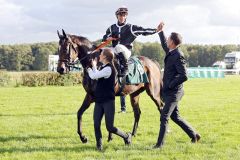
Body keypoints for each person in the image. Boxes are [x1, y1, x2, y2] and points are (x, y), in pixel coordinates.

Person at [102, 6, 158, 113]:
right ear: (117, 16)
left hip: (125, 51)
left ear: (126, 16)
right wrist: (107, 39)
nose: (122, 17)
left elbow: (143, 31)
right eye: (120, 15)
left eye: (124, 15)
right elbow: (104, 37)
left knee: (118, 47)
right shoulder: (111, 28)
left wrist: (156, 30)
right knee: (104, 51)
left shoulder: (131, 27)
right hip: (114, 52)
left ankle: (125, 67)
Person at [154, 22, 201, 149]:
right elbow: (164, 44)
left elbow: (184, 75)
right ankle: (194, 135)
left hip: (174, 92)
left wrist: (169, 84)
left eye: (169, 38)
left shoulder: (178, 55)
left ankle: (159, 145)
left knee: (164, 116)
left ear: (173, 42)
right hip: (170, 92)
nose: (167, 40)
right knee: (176, 117)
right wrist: (161, 32)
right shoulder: (171, 51)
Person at [87, 48, 132, 151]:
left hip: (108, 102)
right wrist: (94, 66)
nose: (99, 55)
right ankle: (99, 146)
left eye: (101, 54)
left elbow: (94, 76)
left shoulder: (109, 69)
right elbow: (98, 75)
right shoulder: (104, 68)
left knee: (110, 127)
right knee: (96, 124)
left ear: (105, 57)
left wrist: (89, 69)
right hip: (99, 101)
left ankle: (126, 136)